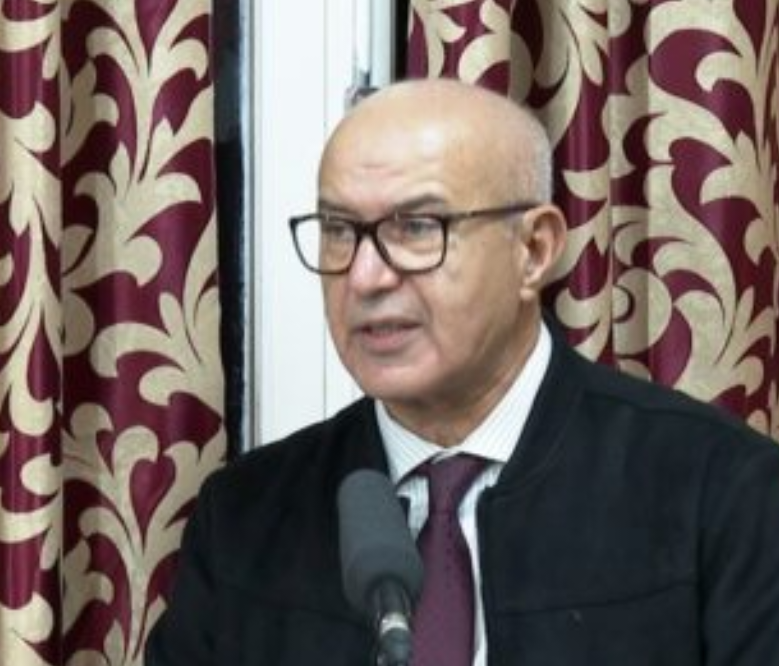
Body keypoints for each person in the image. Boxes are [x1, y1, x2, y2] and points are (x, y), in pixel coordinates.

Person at [145, 79, 779, 666]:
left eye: (418, 227)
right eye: (339, 230)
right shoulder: (247, 519)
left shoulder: (723, 494)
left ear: (534, 250)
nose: (365, 276)